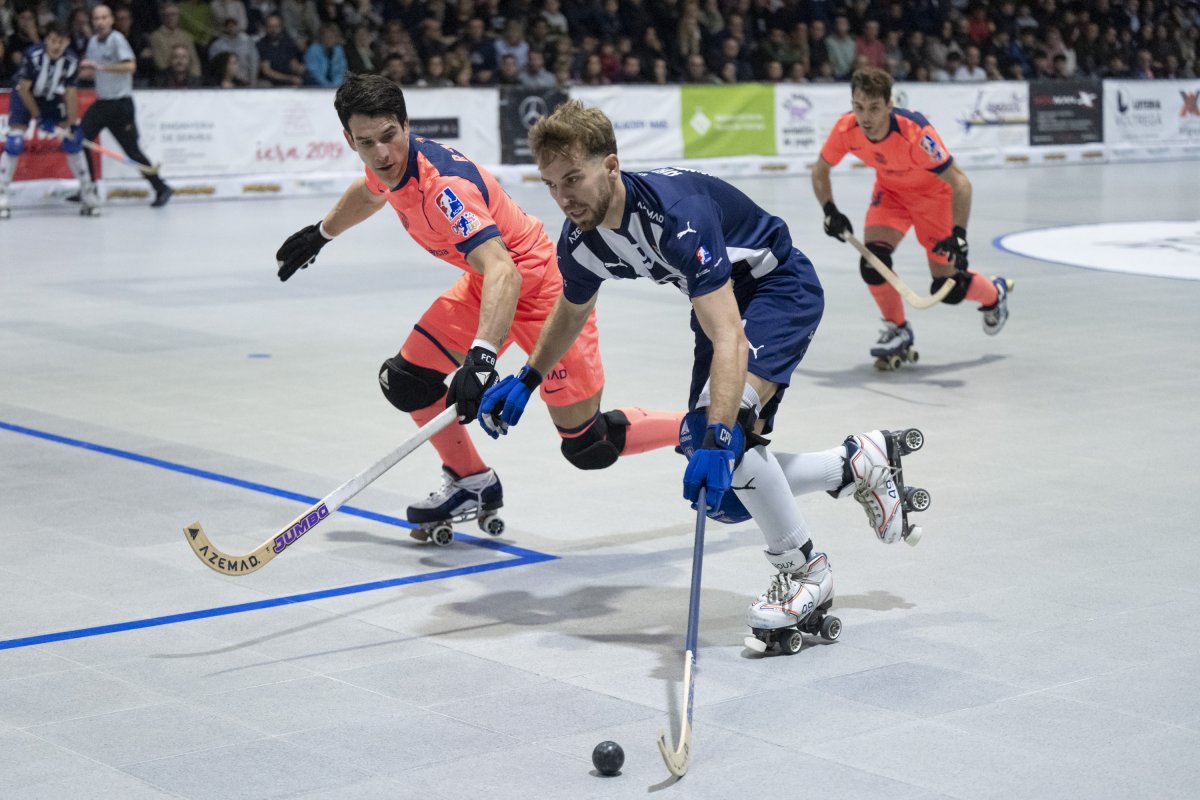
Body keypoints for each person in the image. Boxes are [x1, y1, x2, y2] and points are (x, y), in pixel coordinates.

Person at [477, 99, 925, 650]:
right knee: (724, 492)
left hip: (776, 289)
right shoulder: (583, 236)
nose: (564, 197)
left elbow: (730, 337)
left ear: (611, 166)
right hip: (718, 307)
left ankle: (807, 572)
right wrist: (527, 377)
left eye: (574, 178)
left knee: (727, 441)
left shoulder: (678, 215)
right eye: (550, 184)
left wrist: (723, 432)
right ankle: (854, 464)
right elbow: (572, 307)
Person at [273, 75, 682, 540]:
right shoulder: (384, 165)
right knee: (407, 382)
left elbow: (505, 270)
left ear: (407, 125)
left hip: (542, 291)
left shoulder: (445, 189)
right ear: (350, 139)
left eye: (389, 137)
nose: (382, 153)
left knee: (588, 445)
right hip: (487, 285)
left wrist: (482, 358)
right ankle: (471, 481)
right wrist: (321, 234)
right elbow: (371, 193)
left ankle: (703, 427)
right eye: (366, 143)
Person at [812, 68, 1011, 370]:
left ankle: (993, 294)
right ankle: (898, 328)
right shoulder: (846, 129)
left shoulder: (916, 134)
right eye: (859, 107)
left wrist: (959, 234)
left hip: (935, 199)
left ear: (890, 105)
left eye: (875, 108)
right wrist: (830, 210)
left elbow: (961, 183)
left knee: (948, 287)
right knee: (873, 262)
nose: (865, 117)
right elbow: (820, 169)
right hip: (891, 196)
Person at [78, 4, 173, 209]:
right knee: (80, 140)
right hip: (102, 102)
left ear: (111, 20)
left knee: (133, 152)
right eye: (96, 19)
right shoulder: (93, 42)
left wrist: (103, 67)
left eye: (104, 18)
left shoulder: (117, 40)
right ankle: (88, 188)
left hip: (120, 105)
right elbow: (91, 71)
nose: (100, 22)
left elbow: (130, 66)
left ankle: (160, 186)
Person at [0, 22, 93, 219]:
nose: (55, 46)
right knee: (14, 142)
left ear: (67, 42)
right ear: (46, 40)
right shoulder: (33, 56)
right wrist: (38, 117)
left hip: (51, 98)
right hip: (24, 97)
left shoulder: (71, 61)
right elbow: (24, 89)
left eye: (60, 41)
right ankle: (2, 196)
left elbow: (70, 93)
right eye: (52, 40)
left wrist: (71, 122)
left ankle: (88, 194)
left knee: (72, 142)